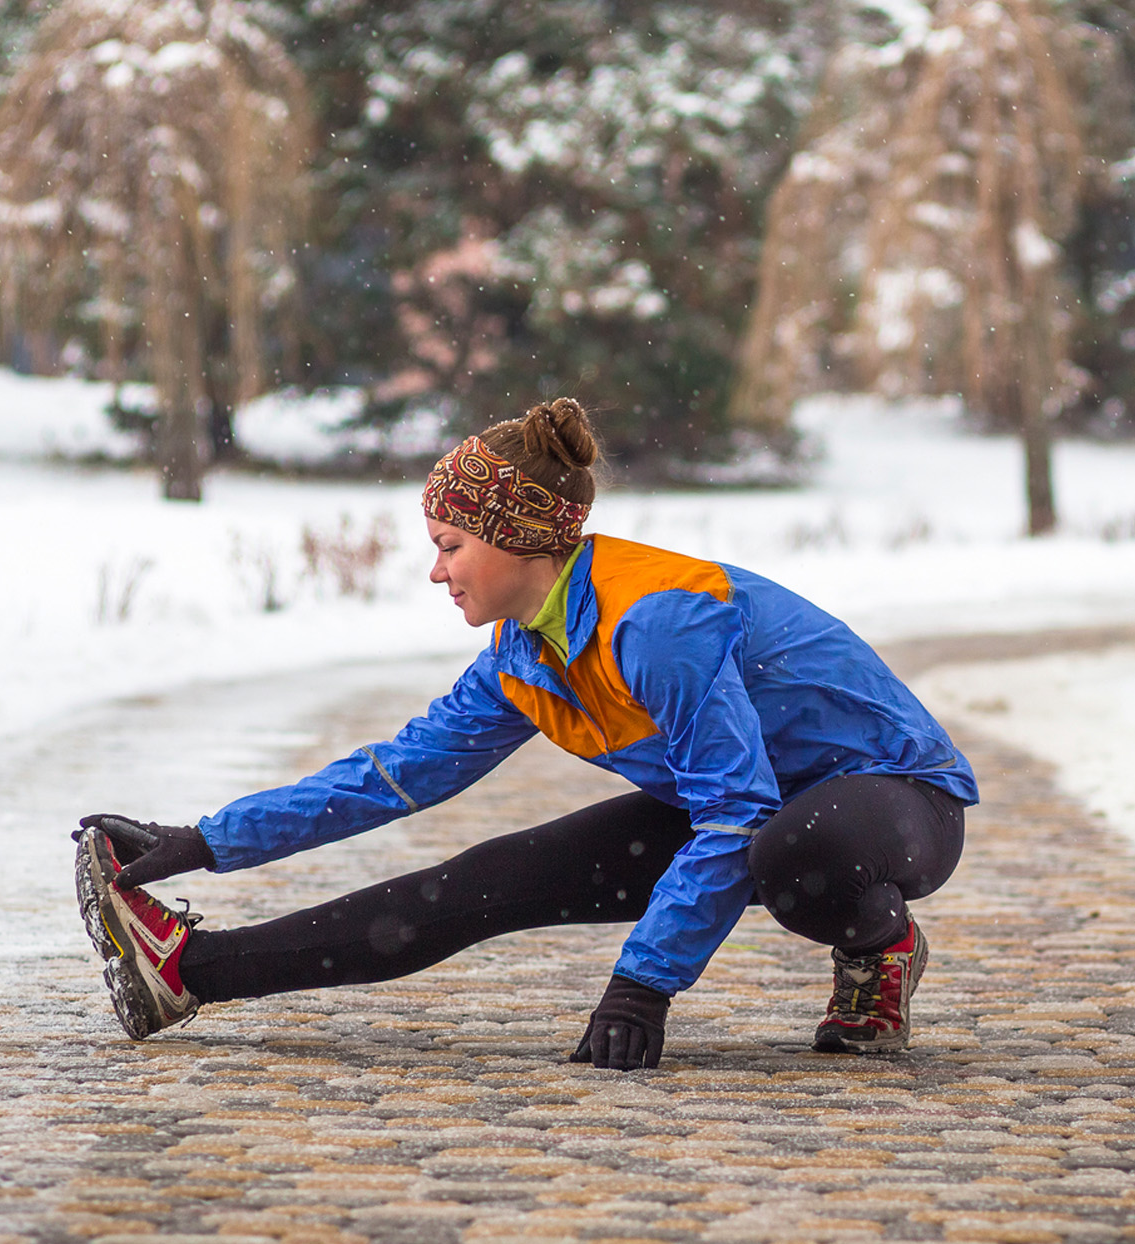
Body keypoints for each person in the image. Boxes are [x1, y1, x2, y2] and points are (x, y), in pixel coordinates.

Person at [72, 398, 977, 1070]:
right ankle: (192, 973)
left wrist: (642, 988)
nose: (437, 572)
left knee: (792, 850)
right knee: (479, 883)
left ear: (519, 540)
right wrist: (200, 843)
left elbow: (734, 813)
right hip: (751, 806)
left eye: (451, 545)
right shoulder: (524, 653)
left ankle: (878, 946)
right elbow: (391, 776)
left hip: (893, 801)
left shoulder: (657, 620)